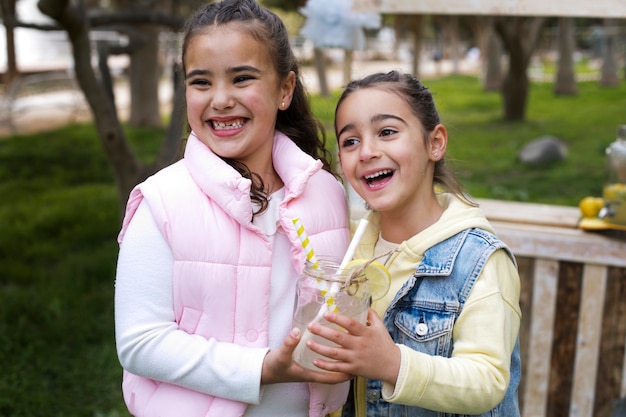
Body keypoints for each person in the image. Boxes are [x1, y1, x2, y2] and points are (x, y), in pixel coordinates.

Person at [114, 1, 352, 416]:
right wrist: (263, 368)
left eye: (242, 78)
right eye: (201, 82)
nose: (220, 100)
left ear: (284, 90)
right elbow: (141, 342)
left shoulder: (326, 193)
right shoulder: (162, 202)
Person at [305, 71, 522, 416]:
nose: (366, 152)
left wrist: (391, 363)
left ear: (435, 143)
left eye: (387, 132)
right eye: (350, 141)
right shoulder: (351, 250)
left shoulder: (479, 260)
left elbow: (487, 380)